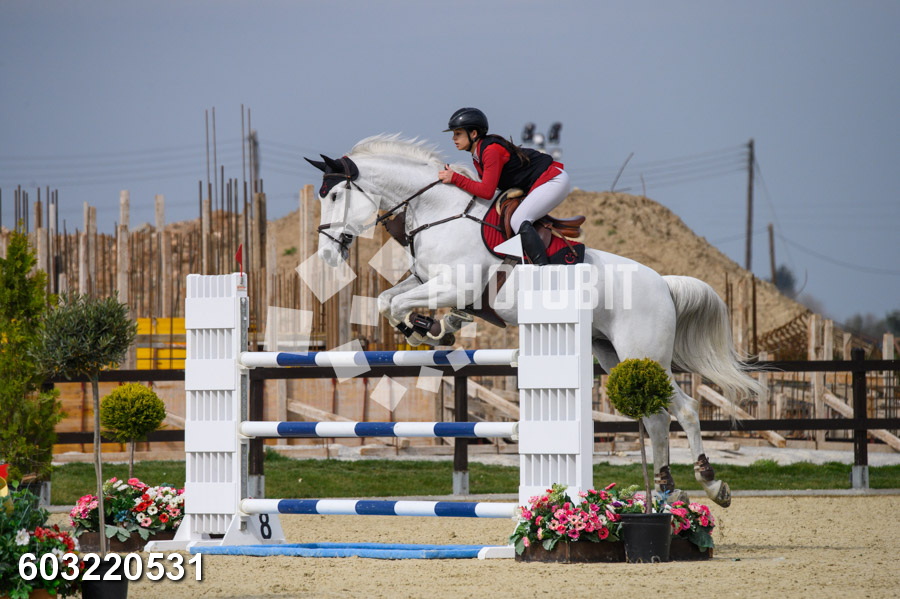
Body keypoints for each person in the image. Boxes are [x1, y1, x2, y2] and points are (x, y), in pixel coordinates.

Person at [438, 107, 571, 266]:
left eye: (458, 133)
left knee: (519, 219)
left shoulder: (490, 151)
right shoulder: (478, 154)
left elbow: (486, 191)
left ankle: (542, 269)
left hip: (553, 180)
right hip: (541, 183)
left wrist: (455, 178)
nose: (453, 138)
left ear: (473, 133)